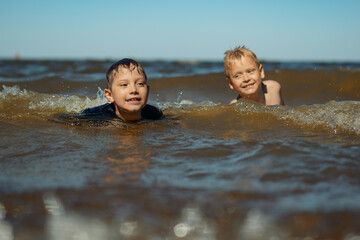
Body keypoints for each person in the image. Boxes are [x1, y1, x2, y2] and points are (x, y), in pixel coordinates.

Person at [82, 58, 163, 122]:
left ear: (148, 91)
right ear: (110, 95)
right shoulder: (97, 116)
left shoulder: (154, 113)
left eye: (140, 84)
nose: (134, 90)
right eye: (124, 84)